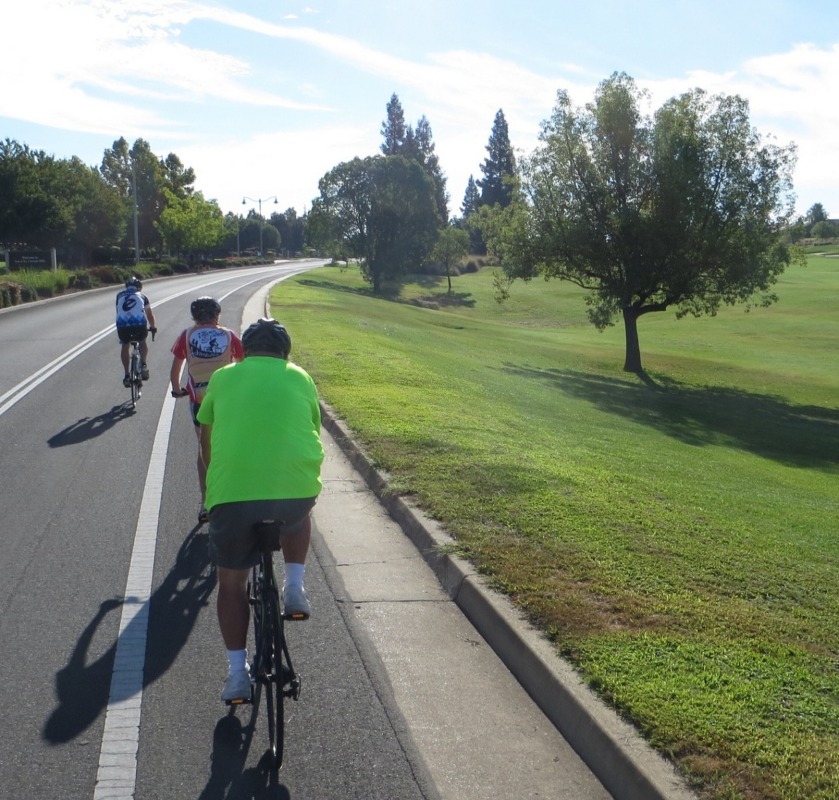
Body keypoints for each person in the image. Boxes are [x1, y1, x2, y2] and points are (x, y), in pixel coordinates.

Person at [197, 318, 324, 703]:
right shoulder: (301, 377)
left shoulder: (222, 378)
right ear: (285, 353)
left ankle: (237, 675)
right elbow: (312, 427)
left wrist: (210, 496)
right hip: (294, 491)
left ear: (244, 350)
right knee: (300, 516)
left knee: (232, 585)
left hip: (234, 497)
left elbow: (206, 448)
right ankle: (296, 586)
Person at [169, 297, 244, 525]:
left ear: (194, 317)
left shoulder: (187, 335)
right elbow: (242, 363)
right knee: (233, 443)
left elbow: (176, 367)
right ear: (217, 315)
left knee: (205, 447)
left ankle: (205, 501)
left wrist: (176, 389)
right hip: (228, 399)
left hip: (200, 400)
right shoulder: (230, 335)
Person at [115, 277, 157, 386]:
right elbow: (149, 315)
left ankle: (126, 375)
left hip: (122, 325)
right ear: (139, 288)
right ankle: (143, 365)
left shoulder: (119, 295)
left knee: (125, 345)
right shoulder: (142, 296)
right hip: (139, 325)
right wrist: (152, 327)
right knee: (142, 341)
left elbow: (119, 311)